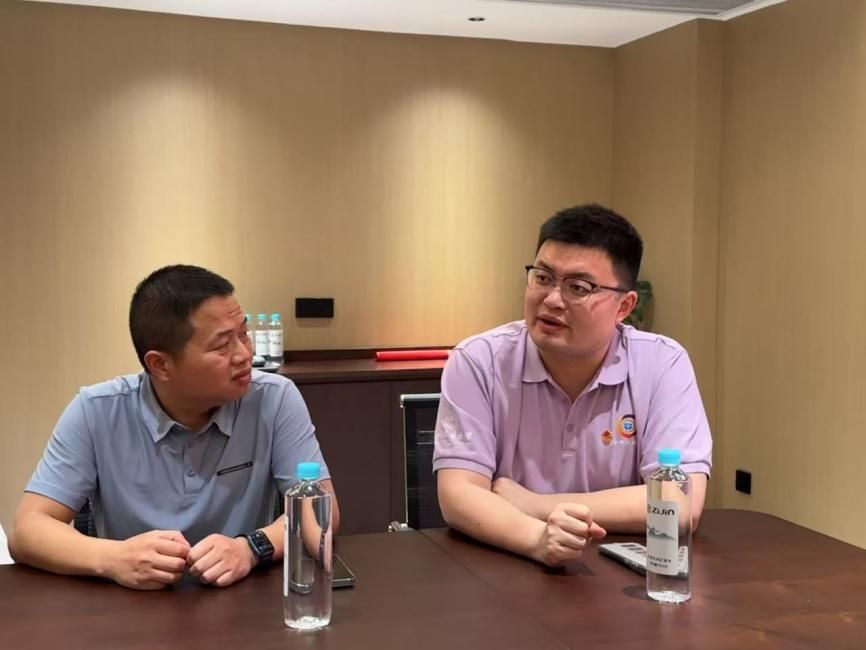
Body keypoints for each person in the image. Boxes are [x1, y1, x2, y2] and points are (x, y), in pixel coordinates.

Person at [9, 264, 339, 589]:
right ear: (160, 365)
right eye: (222, 345)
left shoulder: (274, 398)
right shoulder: (96, 411)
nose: (244, 355)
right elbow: (27, 529)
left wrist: (251, 547)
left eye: (243, 334)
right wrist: (115, 558)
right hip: (131, 605)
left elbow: (320, 513)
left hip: (240, 601)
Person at [433, 203, 711, 567]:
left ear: (624, 306)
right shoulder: (479, 360)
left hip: (618, 574)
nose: (551, 300)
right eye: (542, 278)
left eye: (578, 287)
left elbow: (680, 502)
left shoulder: (662, 363)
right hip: (506, 564)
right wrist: (538, 539)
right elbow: (459, 494)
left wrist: (536, 504)